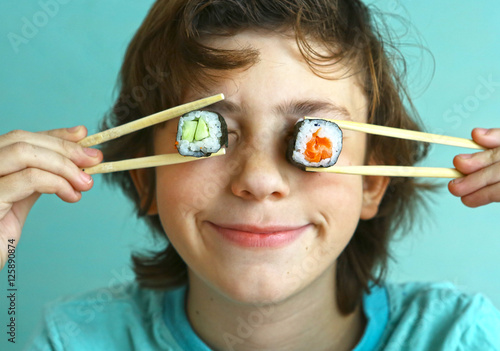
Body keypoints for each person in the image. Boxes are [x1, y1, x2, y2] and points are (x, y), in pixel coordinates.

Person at [1, 0, 499, 350]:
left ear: (372, 181)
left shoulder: (461, 337)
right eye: (208, 132)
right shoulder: (76, 339)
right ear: (143, 179)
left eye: (315, 136)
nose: (259, 180)